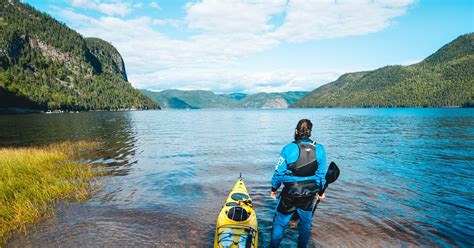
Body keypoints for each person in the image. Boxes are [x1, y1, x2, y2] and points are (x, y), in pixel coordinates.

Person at [270, 119, 327, 248]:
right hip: (309, 194)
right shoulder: (320, 149)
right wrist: (320, 192)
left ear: (296, 131)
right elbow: (321, 176)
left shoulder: (288, 148)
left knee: (279, 223)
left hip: (290, 193)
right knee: (306, 224)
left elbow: (279, 174)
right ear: (310, 132)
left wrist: (274, 189)